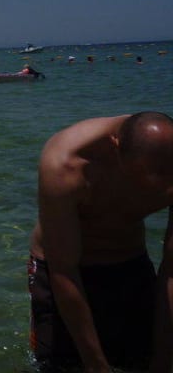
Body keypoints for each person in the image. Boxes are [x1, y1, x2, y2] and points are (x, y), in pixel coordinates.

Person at [28, 112, 173, 373]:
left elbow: (172, 268)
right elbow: (64, 270)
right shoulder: (66, 162)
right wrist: (96, 365)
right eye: (139, 181)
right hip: (61, 270)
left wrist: (163, 359)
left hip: (129, 263)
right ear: (114, 147)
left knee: (142, 360)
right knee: (61, 366)